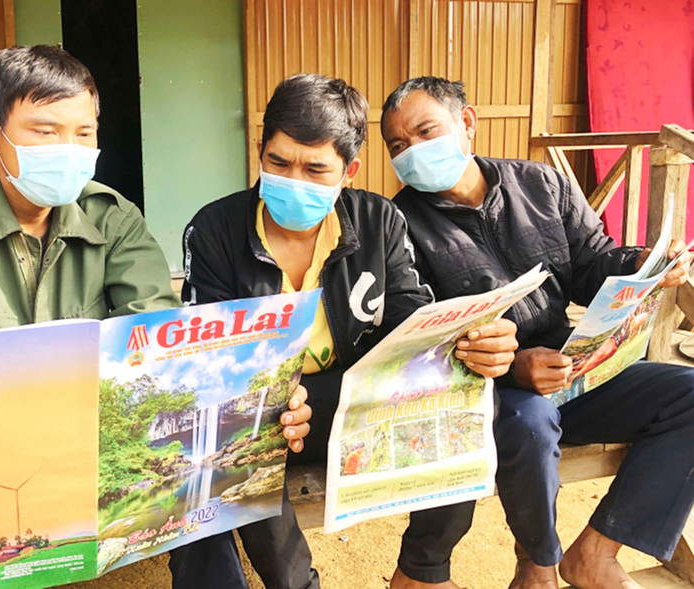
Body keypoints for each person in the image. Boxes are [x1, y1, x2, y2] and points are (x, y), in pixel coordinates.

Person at [0, 45, 311, 513]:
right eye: (46, 133)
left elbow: (153, 345)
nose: (69, 150)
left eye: (84, 134)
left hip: (86, 451)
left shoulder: (115, 220)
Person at [168, 73, 519, 589]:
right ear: (260, 152)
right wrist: (266, 397)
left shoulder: (379, 221)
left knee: (463, 388)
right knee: (233, 434)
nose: (295, 180)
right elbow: (209, 357)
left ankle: (422, 570)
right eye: (279, 163)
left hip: (352, 397)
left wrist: (466, 342)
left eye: (316, 169)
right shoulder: (215, 229)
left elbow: (408, 320)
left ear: (348, 171)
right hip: (263, 406)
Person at [381, 75, 694, 589]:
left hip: (572, 367)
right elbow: (420, 338)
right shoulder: (397, 225)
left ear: (467, 123)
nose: (413, 151)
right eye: (398, 145)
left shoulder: (541, 184)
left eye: (425, 132)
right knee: (531, 423)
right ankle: (537, 564)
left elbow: (593, 264)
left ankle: (595, 554)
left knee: (689, 395)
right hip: (491, 393)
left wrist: (641, 265)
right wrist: (511, 369)